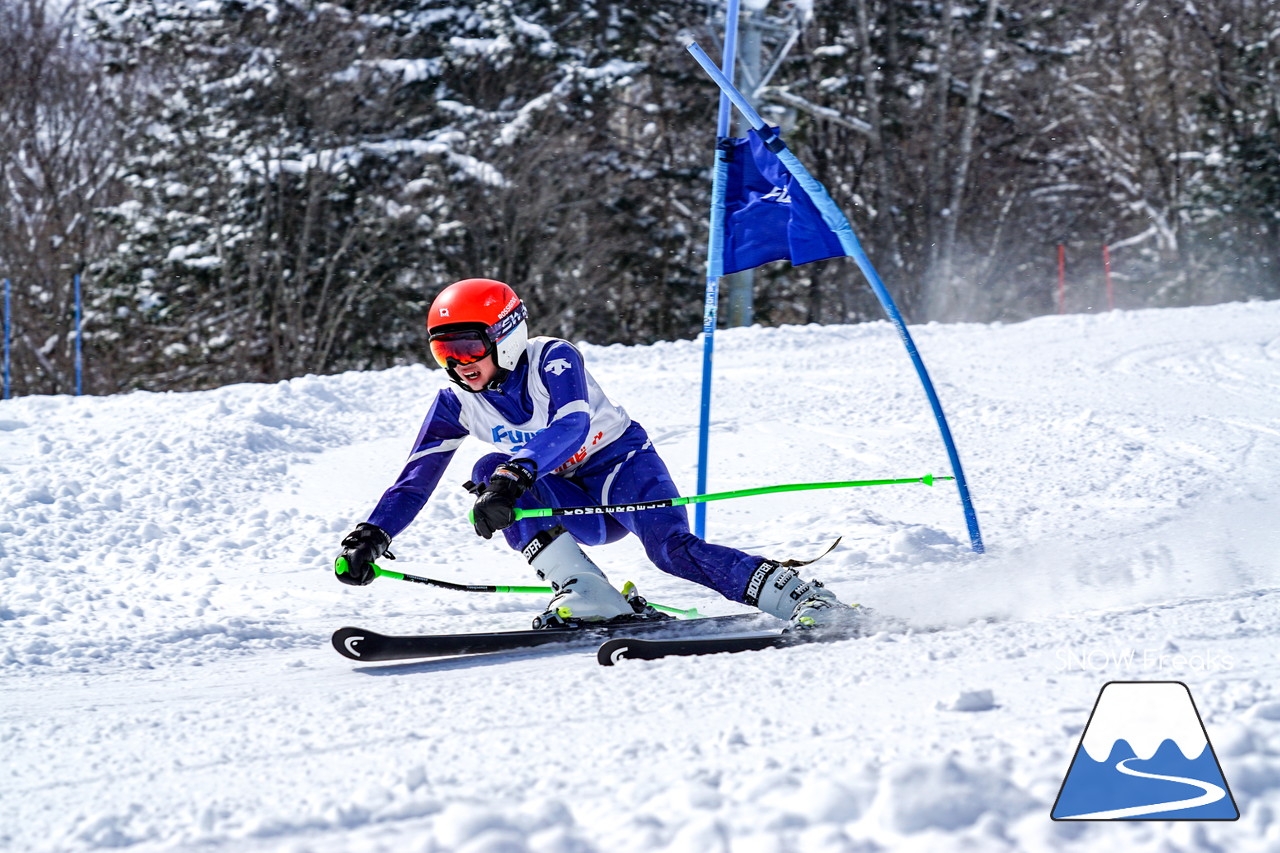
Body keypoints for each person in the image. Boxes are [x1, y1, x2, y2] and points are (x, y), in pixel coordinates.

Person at [335, 278, 860, 631]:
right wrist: (373, 535)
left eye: (470, 346)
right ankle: (588, 593)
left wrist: (517, 472)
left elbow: (572, 423)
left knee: (670, 551)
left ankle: (804, 599)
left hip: (621, 469)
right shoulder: (455, 402)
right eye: (444, 351)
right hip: (564, 498)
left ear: (506, 335)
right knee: (484, 470)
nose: (460, 363)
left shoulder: (552, 358)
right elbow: (414, 479)